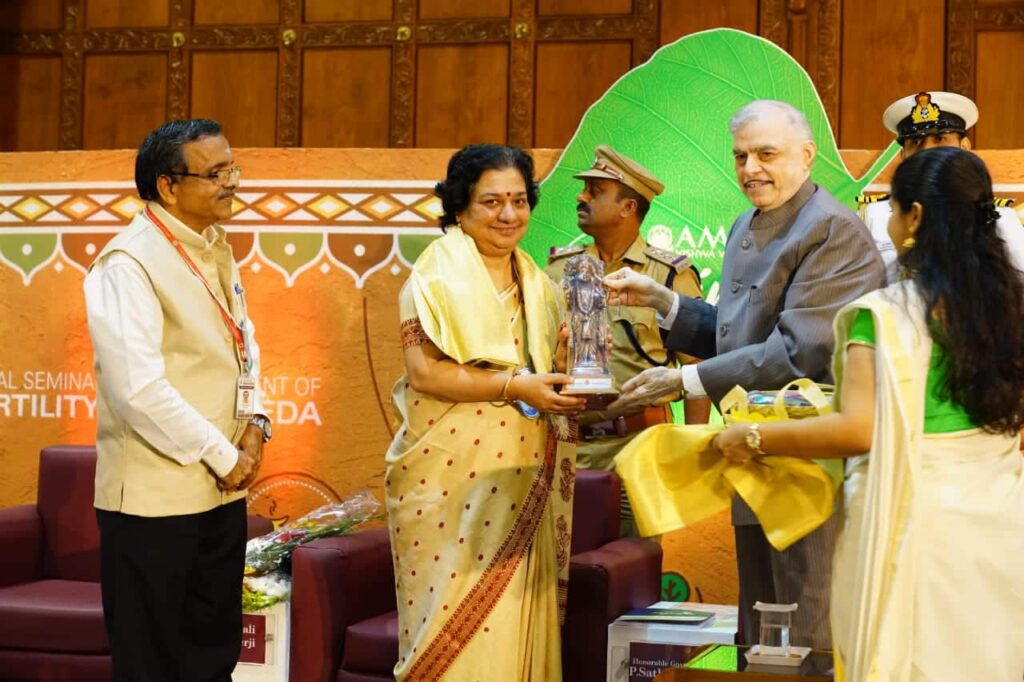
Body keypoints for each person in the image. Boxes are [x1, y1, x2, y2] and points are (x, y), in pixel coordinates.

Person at [712, 147, 1024, 682]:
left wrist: (753, 437)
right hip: (999, 525)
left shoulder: (886, 314)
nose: (891, 222)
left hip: (913, 530)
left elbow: (857, 429)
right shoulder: (1014, 308)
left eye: (894, 209)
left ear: (917, 217)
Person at [604, 100, 886, 649]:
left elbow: (800, 351)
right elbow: (741, 336)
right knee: (761, 627)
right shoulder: (744, 224)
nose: (751, 168)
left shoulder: (833, 230)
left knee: (807, 629)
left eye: (766, 154)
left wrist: (683, 382)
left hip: (809, 467)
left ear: (807, 156)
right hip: (752, 456)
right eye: (740, 156)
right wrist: (666, 302)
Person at [384, 144, 584, 681]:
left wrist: (567, 371)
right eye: (491, 202)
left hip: (518, 475)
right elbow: (425, 373)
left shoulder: (538, 284)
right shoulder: (436, 276)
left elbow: (541, 369)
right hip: (447, 483)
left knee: (515, 623)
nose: (509, 215)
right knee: (452, 635)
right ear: (460, 207)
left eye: (519, 201)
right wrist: (516, 383)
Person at [84, 119, 272, 681]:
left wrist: (256, 421)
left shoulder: (214, 245)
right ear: (169, 186)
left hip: (218, 495)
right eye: (216, 174)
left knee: (213, 657)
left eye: (232, 168)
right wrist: (225, 456)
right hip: (153, 504)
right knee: (153, 664)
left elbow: (244, 341)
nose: (232, 182)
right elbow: (138, 389)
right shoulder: (129, 262)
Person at [546, 145, 708, 536]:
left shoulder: (667, 275)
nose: (581, 197)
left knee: (629, 570)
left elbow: (696, 369)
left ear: (627, 208)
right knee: (564, 576)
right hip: (570, 450)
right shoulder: (558, 269)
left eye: (595, 191)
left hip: (640, 449)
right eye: (584, 189)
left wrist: (691, 449)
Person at [859, 90, 1024, 282]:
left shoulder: (999, 217)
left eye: (940, 139)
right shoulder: (875, 215)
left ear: (964, 149)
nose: (927, 151)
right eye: (916, 142)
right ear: (903, 156)